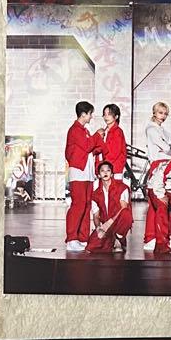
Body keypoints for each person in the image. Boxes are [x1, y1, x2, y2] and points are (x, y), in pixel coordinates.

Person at [64, 101, 105, 251]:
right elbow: (87, 146)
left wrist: (98, 144)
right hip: (78, 173)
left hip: (87, 173)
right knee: (78, 205)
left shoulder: (85, 131)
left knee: (86, 205)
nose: (91, 116)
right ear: (83, 114)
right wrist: (97, 135)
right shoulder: (75, 130)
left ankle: (82, 237)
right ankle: (71, 239)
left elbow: (89, 149)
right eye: (90, 114)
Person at [143, 101, 171, 250]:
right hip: (157, 167)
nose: (163, 116)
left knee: (157, 206)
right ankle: (158, 238)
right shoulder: (151, 129)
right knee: (160, 203)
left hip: (166, 166)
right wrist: (170, 148)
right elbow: (168, 148)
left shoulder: (163, 130)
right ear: (154, 112)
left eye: (165, 113)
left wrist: (170, 148)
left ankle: (152, 237)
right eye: (160, 113)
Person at [87, 160, 132, 252]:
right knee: (91, 247)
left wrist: (110, 222)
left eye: (108, 170)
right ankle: (112, 241)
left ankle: (120, 238)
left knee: (126, 214)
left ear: (111, 174)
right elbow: (96, 215)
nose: (105, 173)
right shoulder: (95, 194)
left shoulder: (122, 188)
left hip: (117, 222)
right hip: (106, 226)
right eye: (102, 171)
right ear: (99, 175)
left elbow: (124, 208)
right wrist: (98, 228)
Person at [95, 103, 127, 177]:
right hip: (104, 169)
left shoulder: (117, 131)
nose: (106, 117)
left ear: (116, 116)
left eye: (109, 114)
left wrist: (103, 167)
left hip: (114, 169)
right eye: (104, 114)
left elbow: (114, 153)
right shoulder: (104, 131)